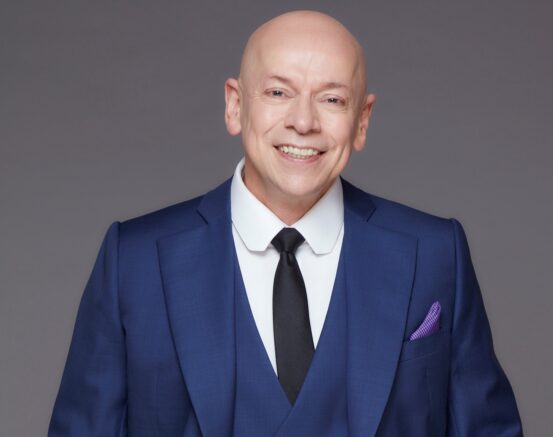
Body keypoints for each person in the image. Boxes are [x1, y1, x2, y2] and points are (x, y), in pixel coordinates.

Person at [49, 10, 523, 436]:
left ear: (362, 121)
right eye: (278, 92)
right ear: (235, 105)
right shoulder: (133, 261)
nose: (303, 121)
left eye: (332, 99)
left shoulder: (436, 253)